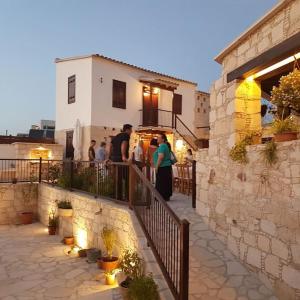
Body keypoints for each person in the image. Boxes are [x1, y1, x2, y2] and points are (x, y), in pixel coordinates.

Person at [109, 124, 133, 200]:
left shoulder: (116, 136)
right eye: (131, 130)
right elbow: (124, 143)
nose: (131, 132)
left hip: (114, 159)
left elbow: (111, 146)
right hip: (121, 160)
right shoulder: (126, 135)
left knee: (117, 178)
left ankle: (117, 197)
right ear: (127, 130)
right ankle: (127, 197)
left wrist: (109, 157)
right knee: (126, 178)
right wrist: (123, 156)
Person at [153, 133, 172, 201]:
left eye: (159, 137)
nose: (157, 138)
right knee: (165, 182)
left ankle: (160, 197)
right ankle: (165, 196)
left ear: (163, 139)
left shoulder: (162, 146)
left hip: (162, 167)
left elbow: (161, 157)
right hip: (166, 167)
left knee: (160, 182)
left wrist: (157, 167)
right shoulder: (164, 145)